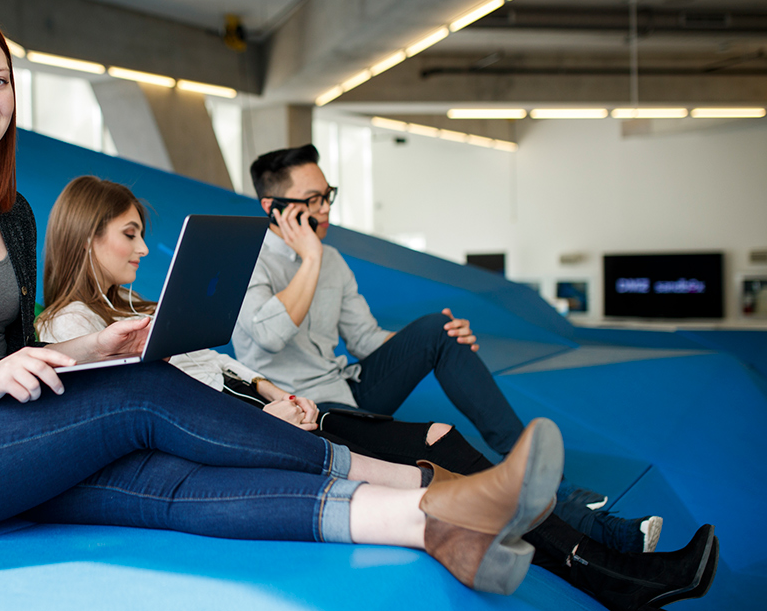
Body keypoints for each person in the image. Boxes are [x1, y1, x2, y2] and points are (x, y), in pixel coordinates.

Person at [0, 9, 565, 596]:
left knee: (163, 478)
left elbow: (8, 359)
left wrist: (86, 350)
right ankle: (438, 486)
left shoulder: (13, 213)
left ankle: (429, 527)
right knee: (142, 397)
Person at [36, 174, 718, 611]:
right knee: (450, 468)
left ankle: (613, 559)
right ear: (86, 237)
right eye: (130, 235)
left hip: (292, 406)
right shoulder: (73, 329)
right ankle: (612, 567)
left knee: (453, 446)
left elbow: (224, 364)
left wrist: (276, 394)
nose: (144, 248)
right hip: (257, 430)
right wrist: (273, 401)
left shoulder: (133, 305)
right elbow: (166, 402)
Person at [233, 144, 662, 556]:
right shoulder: (249, 261)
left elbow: (364, 338)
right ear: (274, 207)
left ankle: (552, 485)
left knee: (441, 328)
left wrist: (431, 342)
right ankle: (575, 517)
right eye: (314, 199)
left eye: (329, 196)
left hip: (349, 387)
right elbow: (268, 336)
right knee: (452, 460)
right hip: (309, 411)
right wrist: (309, 259)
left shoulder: (335, 262)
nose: (326, 208)